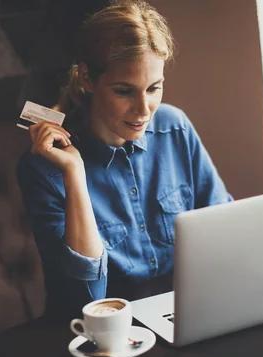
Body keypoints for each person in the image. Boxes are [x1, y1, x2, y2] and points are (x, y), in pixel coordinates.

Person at [17, 0, 233, 316]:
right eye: (124, 91)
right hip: (101, 333)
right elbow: (84, 301)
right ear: (88, 79)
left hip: (182, 315)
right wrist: (75, 175)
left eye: (154, 88)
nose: (144, 109)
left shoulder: (174, 129)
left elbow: (224, 231)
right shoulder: (43, 170)